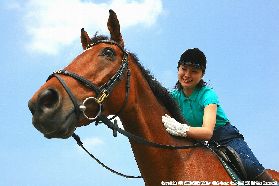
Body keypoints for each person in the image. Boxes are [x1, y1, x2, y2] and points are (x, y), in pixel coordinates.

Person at [161, 48, 274, 181]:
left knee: (251, 167)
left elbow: (207, 132)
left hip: (226, 138)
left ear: (202, 74)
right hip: (200, 143)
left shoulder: (208, 95)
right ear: (178, 68)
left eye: (194, 71)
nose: (187, 74)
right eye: (184, 69)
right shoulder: (172, 97)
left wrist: (181, 129)